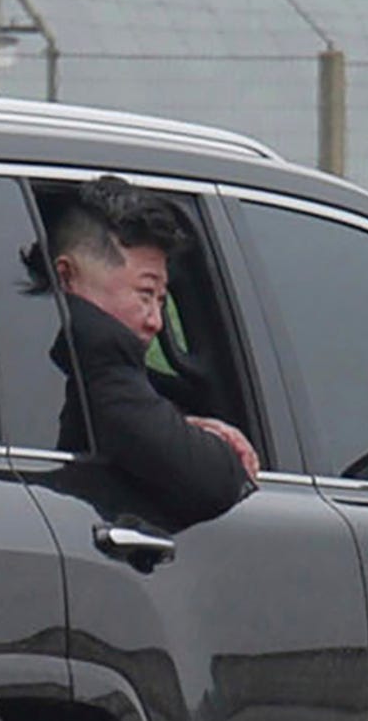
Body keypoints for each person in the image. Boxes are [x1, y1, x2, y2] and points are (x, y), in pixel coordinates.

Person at [41, 178, 257, 524]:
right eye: (145, 294)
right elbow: (207, 481)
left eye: (161, 299)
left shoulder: (41, 354)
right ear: (67, 278)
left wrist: (178, 427)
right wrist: (224, 454)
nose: (156, 321)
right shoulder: (98, 352)